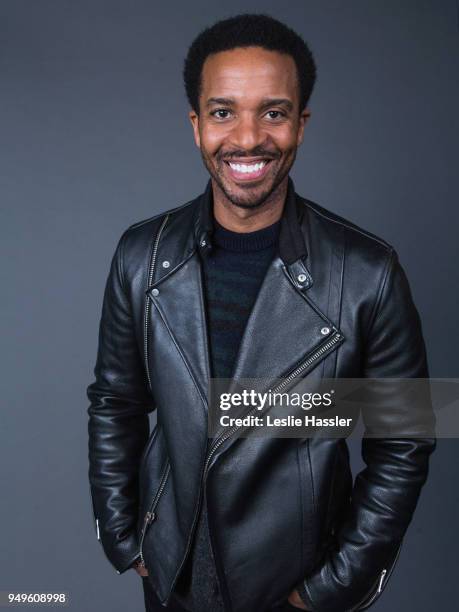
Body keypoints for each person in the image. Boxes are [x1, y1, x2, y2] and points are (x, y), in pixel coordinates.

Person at [87, 13, 436, 612]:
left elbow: (406, 439)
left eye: (272, 112)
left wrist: (330, 587)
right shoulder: (140, 257)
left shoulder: (371, 272)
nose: (247, 138)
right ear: (196, 126)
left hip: (295, 589)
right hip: (171, 584)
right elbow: (115, 402)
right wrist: (126, 537)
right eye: (223, 112)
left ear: (301, 124)